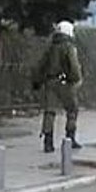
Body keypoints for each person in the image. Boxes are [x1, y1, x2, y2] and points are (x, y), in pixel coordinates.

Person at [31, 20, 83, 153]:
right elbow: (74, 66)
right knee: (72, 110)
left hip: (50, 82)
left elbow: (40, 65)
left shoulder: (51, 47)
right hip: (65, 82)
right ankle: (70, 139)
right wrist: (75, 78)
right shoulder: (69, 47)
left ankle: (48, 142)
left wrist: (37, 81)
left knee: (50, 111)